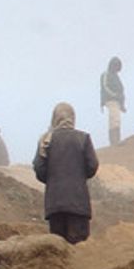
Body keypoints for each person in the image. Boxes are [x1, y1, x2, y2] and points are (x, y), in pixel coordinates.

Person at [33, 102, 99, 244]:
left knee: (59, 249)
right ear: (73, 118)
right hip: (78, 203)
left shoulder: (46, 140)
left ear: (54, 118)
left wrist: (52, 180)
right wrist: (79, 176)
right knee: (79, 249)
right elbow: (92, 165)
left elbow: (39, 168)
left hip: (54, 205)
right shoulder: (83, 138)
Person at [100, 56, 125, 147]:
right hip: (110, 100)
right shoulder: (106, 74)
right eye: (117, 66)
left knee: (116, 119)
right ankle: (115, 141)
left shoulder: (115, 76)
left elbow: (121, 90)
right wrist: (114, 95)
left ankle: (115, 140)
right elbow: (105, 87)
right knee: (114, 119)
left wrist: (122, 103)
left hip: (116, 100)